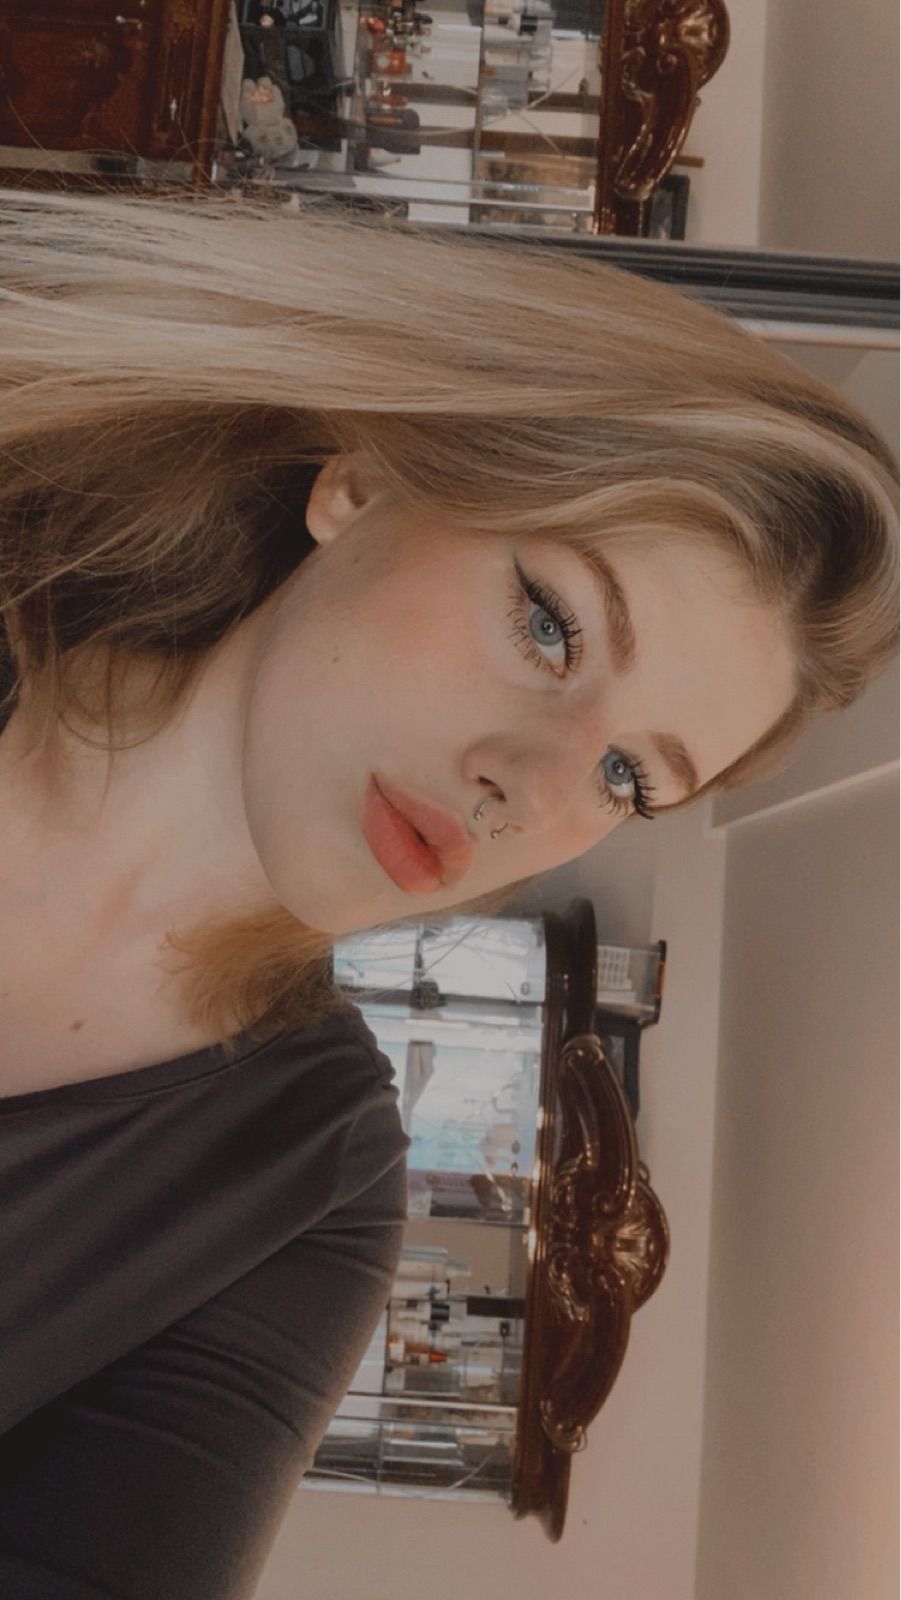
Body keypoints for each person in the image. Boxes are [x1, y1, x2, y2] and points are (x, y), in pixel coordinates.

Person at [0, 185, 896, 1598]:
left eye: (625, 775)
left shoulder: (307, 1187)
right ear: (361, 480)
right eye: (549, 625)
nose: (526, 790)